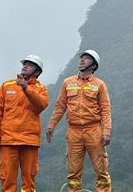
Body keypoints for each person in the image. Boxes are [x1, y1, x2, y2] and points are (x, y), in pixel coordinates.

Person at [46, 49, 112, 192]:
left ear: (93, 65)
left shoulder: (99, 85)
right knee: (73, 173)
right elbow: (60, 107)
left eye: (86, 58)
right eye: (81, 58)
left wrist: (106, 132)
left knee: (101, 171)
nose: (82, 60)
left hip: (94, 131)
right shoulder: (67, 82)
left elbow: (106, 110)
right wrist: (51, 126)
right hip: (74, 131)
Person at [0, 54, 49, 192]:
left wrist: (26, 88)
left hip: (29, 140)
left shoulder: (41, 89)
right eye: (24, 63)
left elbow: (41, 105)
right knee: (7, 179)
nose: (25, 66)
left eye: (29, 64)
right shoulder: (6, 85)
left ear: (37, 71)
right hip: (8, 140)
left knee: (29, 180)